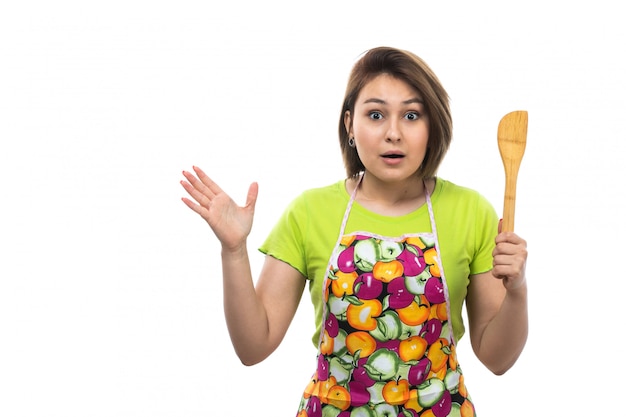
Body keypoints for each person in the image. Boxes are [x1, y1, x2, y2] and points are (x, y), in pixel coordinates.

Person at [180, 46, 528, 417]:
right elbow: (253, 347)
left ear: (432, 126)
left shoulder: (470, 211)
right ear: (349, 124)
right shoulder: (310, 212)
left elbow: (497, 359)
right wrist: (234, 251)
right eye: (375, 114)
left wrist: (518, 290)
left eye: (411, 115)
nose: (393, 133)